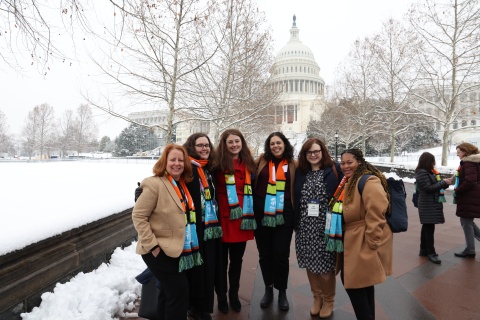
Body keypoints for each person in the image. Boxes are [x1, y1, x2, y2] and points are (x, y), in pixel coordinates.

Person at [134, 134, 222, 320]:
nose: (177, 163)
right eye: (172, 160)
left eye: (180, 160)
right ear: (164, 162)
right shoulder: (154, 183)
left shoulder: (181, 184)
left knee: (168, 293)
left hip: (178, 249)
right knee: (179, 292)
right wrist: (153, 247)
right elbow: (139, 216)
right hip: (158, 250)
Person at [336, 148, 393, 320]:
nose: (345, 166)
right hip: (352, 239)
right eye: (343, 162)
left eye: (349, 162)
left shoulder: (368, 180)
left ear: (359, 162)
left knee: (353, 283)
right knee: (363, 284)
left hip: (362, 240)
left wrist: (372, 242)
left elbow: (377, 213)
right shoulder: (349, 180)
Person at [293, 138, 342, 318]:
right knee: (310, 264)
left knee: (326, 267)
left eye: (316, 151)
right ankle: (317, 297)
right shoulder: (300, 172)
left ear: (323, 152)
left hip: (325, 227)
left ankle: (329, 300)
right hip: (305, 227)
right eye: (309, 152)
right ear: (304, 155)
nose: (313, 155)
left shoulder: (334, 170)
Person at [214, 129, 256, 313]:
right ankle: (221, 296)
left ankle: (234, 295)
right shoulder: (215, 164)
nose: (234, 145)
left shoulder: (249, 163)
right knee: (221, 263)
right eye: (230, 142)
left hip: (241, 218)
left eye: (237, 141)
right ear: (224, 144)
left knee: (237, 261)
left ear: (242, 142)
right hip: (223, 217)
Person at [253, 132, 296, 311]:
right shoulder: (262, 160)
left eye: (278, 143)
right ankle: (268, 288)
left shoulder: (294, 164)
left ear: (285, 144)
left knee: (280, 254)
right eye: (272, 144)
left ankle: (282, 291)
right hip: (262, 214)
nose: (275, 146)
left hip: (284, 214)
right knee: (265, 254)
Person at [415, 152, 452, 264]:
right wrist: (442, 183)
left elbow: (434, 185)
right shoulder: (422, 173)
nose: (434, 163)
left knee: (427, 226)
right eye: (432, 161)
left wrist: (445, 183)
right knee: (429, 228)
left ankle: (423, 250)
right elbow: (428, 188)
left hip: (431, 203)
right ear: (428, 161)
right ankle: (431, 253)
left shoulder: (428, 172)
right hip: (427, 204)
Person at [453, 142, 480, 258]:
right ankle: (470, 248)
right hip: (473, 196)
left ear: (465, 151)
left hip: (469, 197)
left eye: (459, 152)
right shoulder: (473, 162)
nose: (458, 154)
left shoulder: (468, 163)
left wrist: (458, 190)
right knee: (467, 222)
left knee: (466, 222)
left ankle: (470, 249)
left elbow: (470, 180)